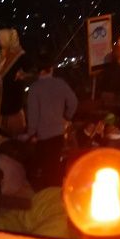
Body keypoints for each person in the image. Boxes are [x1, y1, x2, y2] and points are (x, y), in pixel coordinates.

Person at [22, 54, 78, 189]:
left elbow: (33, 113)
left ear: (38, 71)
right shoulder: (60, 83)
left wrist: (31, 133)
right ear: (50, 69)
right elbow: (73, 102)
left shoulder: (35, 88)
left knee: (43, 167)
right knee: (55, 165)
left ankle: (45, 195)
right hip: (58, 132)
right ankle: (56, 193)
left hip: (42, 135)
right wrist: (67, 117)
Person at [0, 28, 29, 136]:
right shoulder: (2, 54)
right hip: (2, 99)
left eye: (0, 39)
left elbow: (29, 70)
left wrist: (21, 74)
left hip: (14, 99)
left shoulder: (20, 55)